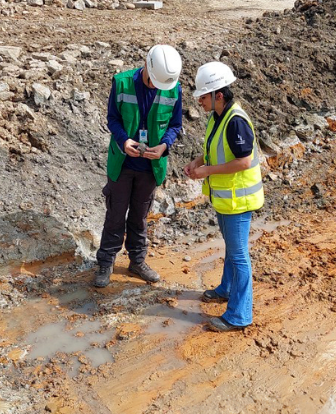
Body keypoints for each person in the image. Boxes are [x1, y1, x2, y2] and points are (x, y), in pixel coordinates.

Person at [94, 45, 183, 288]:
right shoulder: (121, 83)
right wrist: (124, 140)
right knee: (115, 214)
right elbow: (112, 118)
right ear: (147, 66)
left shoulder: (173, 88)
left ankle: (137, 260)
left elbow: (175, 124)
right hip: (123, 162)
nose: (155, 87)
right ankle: (106, 262)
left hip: (151, 167)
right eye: (153, 82)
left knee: (139, 217)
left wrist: (165, 145)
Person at [184, 62, 264, 332]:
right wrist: (197, 162)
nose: (199, 101)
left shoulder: (236, 121)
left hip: (238, 201)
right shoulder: (218, 116)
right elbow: (213, 149)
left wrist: (207, 170)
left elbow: (244, 161)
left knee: (240, 256)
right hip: (225, 198)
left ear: (219, 94)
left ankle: (239, 315)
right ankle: (226, 289)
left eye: (203, 96)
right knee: (232, 249)